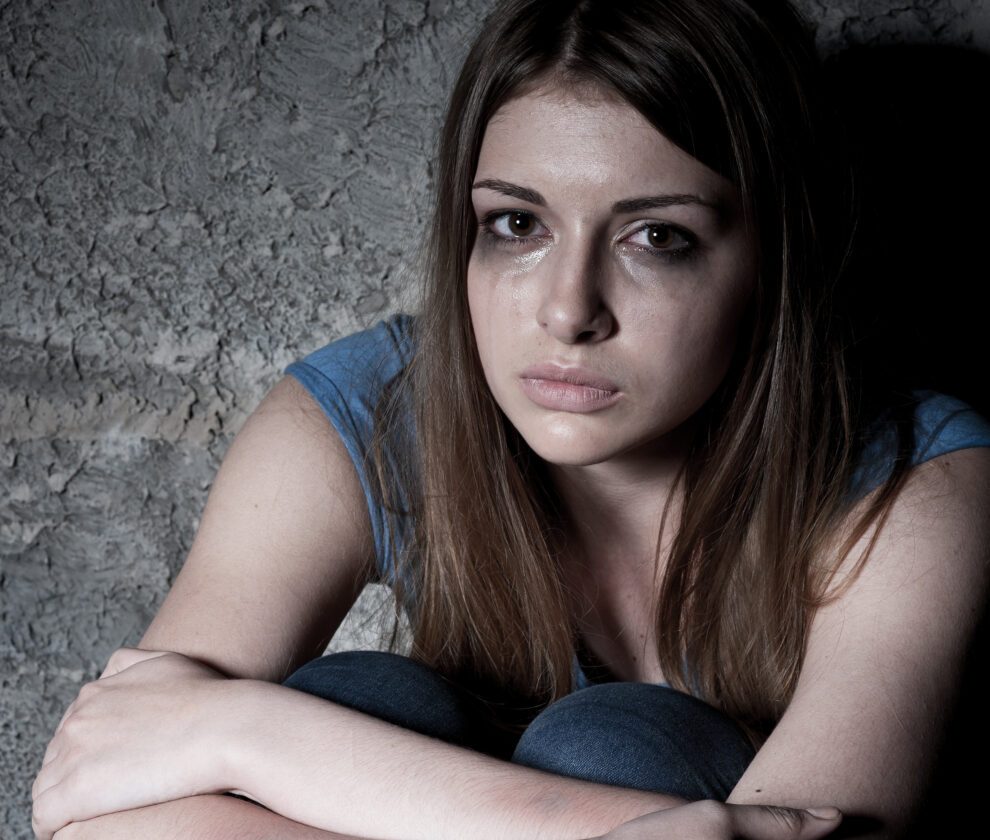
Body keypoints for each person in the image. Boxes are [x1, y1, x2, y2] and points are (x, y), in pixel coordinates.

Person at [31, 0, 990, 838]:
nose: (569, 311)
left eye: (659, 237)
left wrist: (246, 734)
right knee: (366, 703)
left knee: (608, 746)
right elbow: (97, 801)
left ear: (775, 260)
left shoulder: (916, 478)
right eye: (517, 226)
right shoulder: (370, 411)